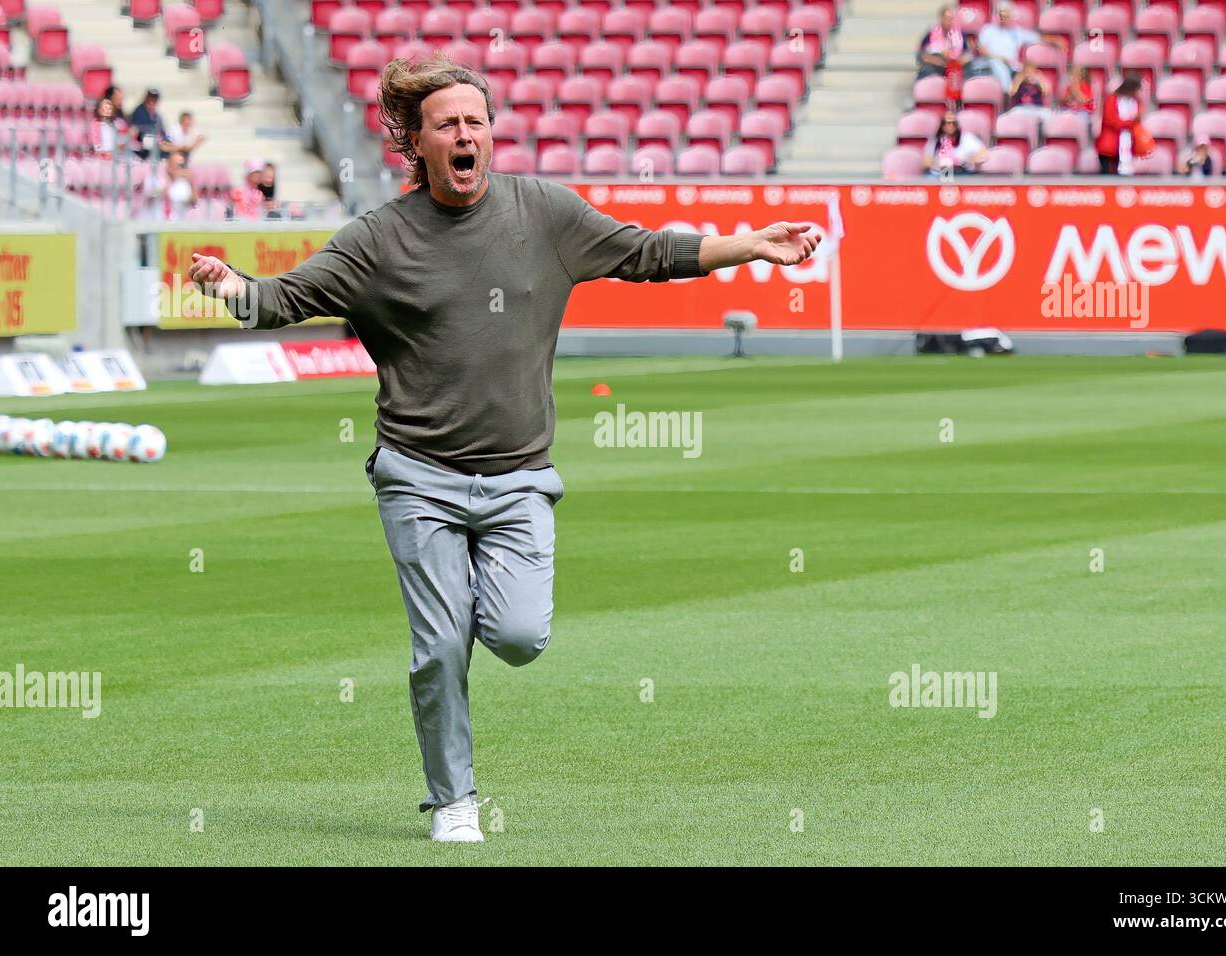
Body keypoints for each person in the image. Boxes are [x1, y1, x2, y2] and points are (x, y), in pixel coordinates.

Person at [186, 54, 821, 845]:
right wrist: (227, 286)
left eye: (475, 122)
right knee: (440, 644)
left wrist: (750, 245)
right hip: (417, 477)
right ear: (415, 143)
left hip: (520, 479)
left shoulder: (544, 214)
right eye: (446, 124)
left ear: (490, 136)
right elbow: (283, 301)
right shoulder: (377, 240)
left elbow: (649, 255)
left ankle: (475, 611)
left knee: (519, 637)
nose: (464, 135)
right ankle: (453, 800)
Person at [976, 2, 1045, 93]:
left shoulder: (1016, 32)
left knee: (1031, 72)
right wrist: (1001, 58)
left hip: (1012, 66)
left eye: (1006, 15)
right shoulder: (988, 30)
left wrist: (1055, 39)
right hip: (990, 63)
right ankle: (1006, 93)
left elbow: (1037, 38)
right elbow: (982, 50)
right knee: (998, 66)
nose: (1003, 18)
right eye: (1001, 14)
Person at [1096, 73, 1143, 175]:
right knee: (1107, 180)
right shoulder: (1111, 100)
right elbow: (1113, 121)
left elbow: (1138, 119)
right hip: (1110, 148)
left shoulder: (1136, 102)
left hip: (1127, 146)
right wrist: (1131, 122)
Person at [923, 110, 989, 176]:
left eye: (953, 123)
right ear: (942, 126)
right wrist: (938, 163)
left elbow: (983, 152)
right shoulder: (935, 140)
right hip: (940, 174)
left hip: (962, 173)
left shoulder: (967, 138)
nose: (951, 125)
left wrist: (970, 160)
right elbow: (926, 162)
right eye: (947, 123)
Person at [916, 5, 970, 80]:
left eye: (951, 18)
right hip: (935, 68)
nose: (949, 22)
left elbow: (967, 54)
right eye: (947, 18)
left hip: (956, 68)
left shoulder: (960, 34)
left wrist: (960, 59)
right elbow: (921, 54)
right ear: (941, 18)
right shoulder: (932, 33)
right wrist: (935, 60)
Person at [129, 88, 170, 159]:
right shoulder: (139, 111)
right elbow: (135, 129)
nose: (152, 101)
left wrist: (165, 140)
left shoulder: (157, 116)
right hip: (143, 144)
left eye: (155, 99)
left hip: (156, 143)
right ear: (146, 98)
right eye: (150, 98)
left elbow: (163, 132)